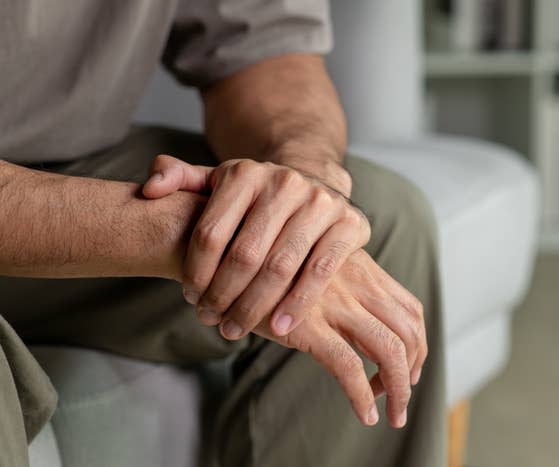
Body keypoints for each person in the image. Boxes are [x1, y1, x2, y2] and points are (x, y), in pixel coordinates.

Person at [0, 1, 446, 466]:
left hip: (63, 159)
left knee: (361, 229)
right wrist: (182, 231)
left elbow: (266, 49)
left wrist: (302, 190)